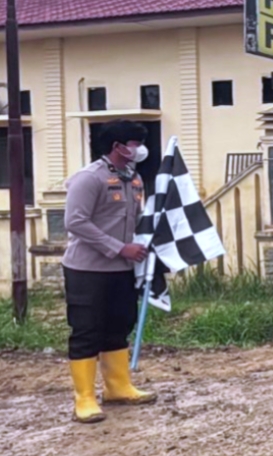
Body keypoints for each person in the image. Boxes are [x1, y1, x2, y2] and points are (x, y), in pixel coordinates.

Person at [61, 120, 158, 424]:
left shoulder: (135, 179)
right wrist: (119, 248)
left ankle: (118, 387)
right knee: (87, 330)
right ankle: (84, 399)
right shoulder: (89, 178)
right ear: (117, 147)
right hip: (87, 269)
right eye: (134, 143)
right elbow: (75, 222)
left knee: (119, 325)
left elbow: (136, 219)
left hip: (122, 269)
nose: (140, 149)